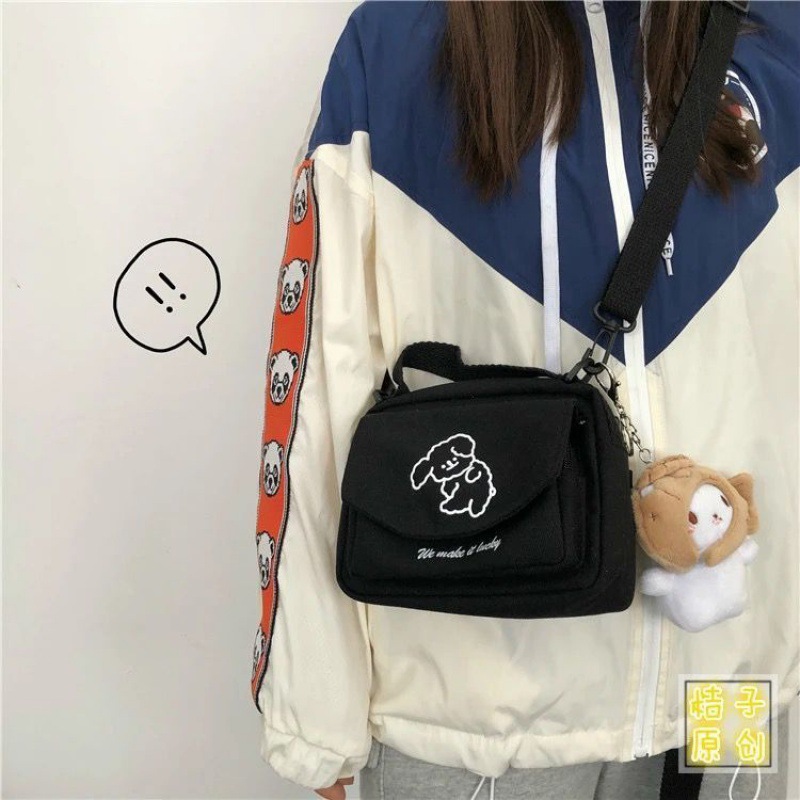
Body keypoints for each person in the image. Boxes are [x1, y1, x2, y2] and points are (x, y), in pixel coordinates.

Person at [249, 1, 800, 798]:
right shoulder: (400, 42)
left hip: (727, 677)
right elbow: (316, 384)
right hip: (481, 719)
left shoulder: (775, 32)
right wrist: (315, 712)